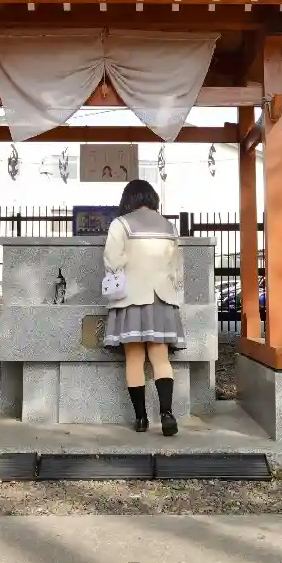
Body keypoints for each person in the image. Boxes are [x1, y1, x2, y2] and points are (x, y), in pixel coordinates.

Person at [102, 179, 185, 435]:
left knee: (134, 358)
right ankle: (167, 414)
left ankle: (141, 419)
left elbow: (112, 261)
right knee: (160, 358)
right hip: (162, 299)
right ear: (152, 198)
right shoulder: (169, 226)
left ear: (129, 199)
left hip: (132, 299)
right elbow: (177, 268)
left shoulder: (121, 224)